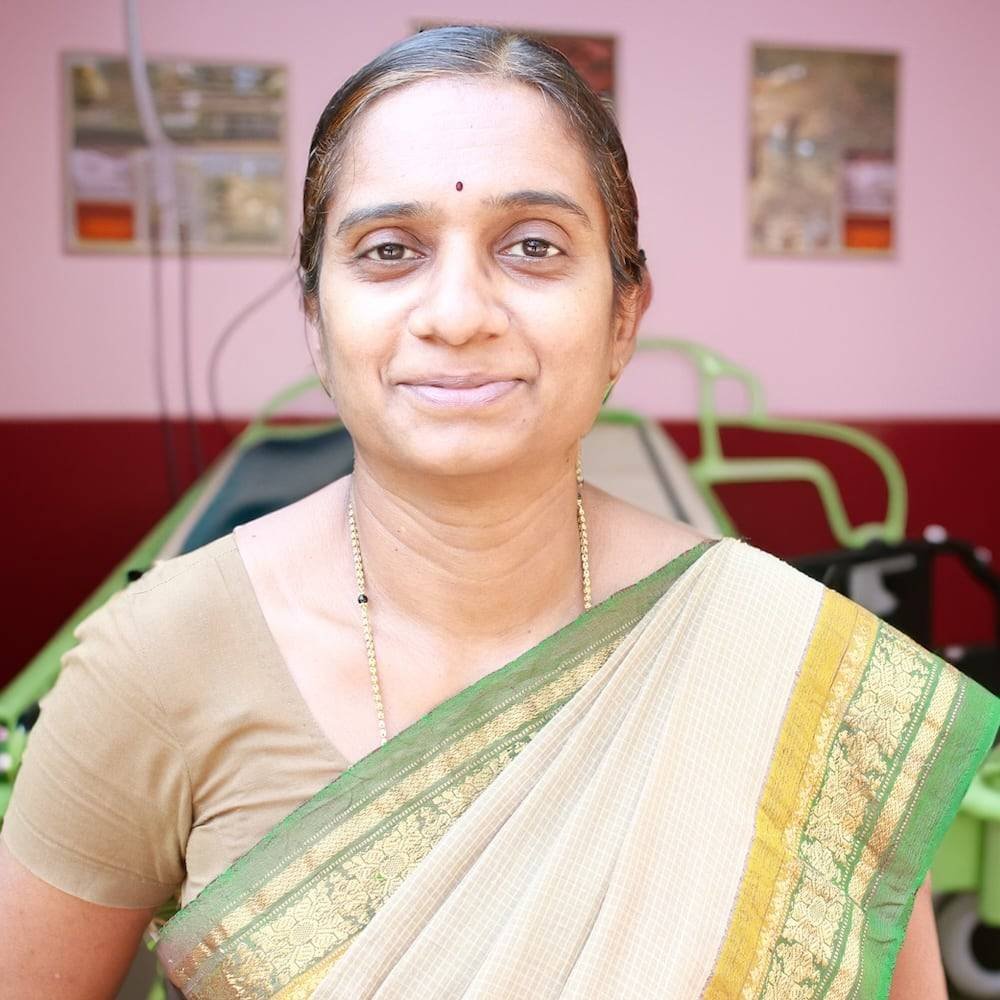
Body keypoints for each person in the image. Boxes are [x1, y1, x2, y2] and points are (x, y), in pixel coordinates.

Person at [1, 26, 997, 999]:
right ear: (315, 317)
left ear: (622, 316)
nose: (459, 312)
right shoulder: (158, 662)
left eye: (533, 245)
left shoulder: (796, 674)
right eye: (389, 250)